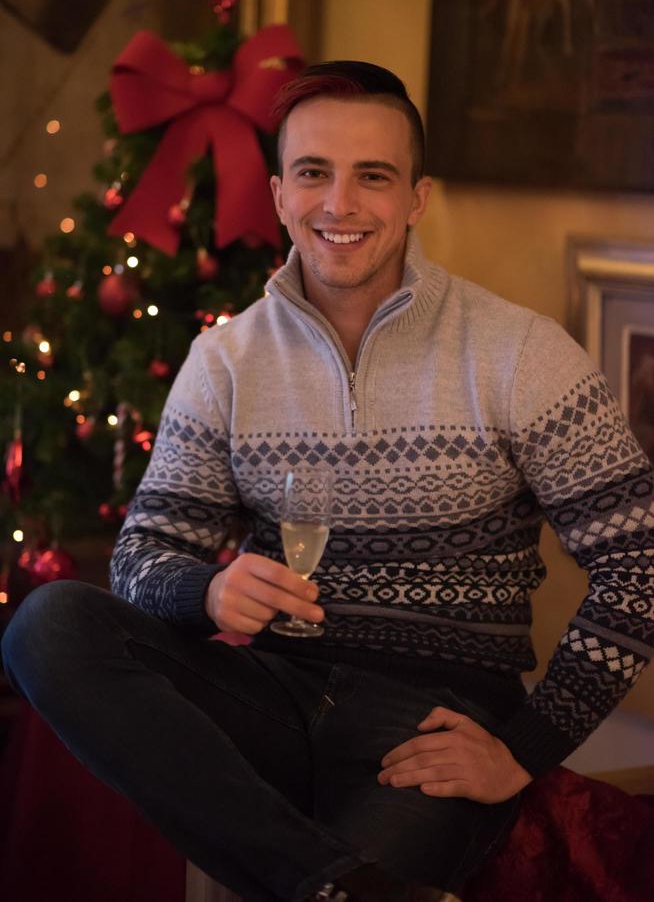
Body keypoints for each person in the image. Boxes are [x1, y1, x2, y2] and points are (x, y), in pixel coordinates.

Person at [2, 61, 653, 902]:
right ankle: (336, 887)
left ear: (416, 197)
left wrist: (523, 747)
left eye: (372, 177)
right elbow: (142, 554)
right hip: (271, 693)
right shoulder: (226, 360)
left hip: (432, 719)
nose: (339, 205)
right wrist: (206, 592)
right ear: (279, 193)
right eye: (314, 173)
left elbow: (639, 562)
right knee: (46, 625)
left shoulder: (520, 355)